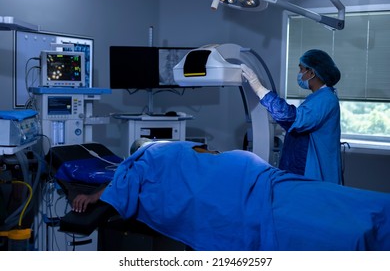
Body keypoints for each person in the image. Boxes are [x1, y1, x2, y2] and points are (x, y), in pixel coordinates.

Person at [69, 139, 390, 251]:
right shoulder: (171, 151)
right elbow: (213, 155)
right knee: (328, 198)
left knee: (309, 214)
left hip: (239, 184)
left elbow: (120, 186)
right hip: (248, 170)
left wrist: (99, 194)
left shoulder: (143, 159)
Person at [241, 49, 342, 184]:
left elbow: (293, 118)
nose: (299, 74)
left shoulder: (325, 99)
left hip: (315, 176)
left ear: (311, 72)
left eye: (301, 70)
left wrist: (260, 89)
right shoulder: (317, 97)